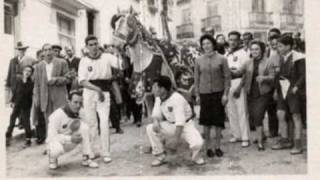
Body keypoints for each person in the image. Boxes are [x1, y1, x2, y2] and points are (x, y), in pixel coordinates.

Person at [78, 35, 123, 163]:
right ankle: (93, 150)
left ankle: (106, 152)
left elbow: (121, 65)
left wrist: (118, 52)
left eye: (95, 44)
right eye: (90, 44)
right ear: (86, 47)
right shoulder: (84, 61)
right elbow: (82, 81)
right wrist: (97, 90)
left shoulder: (107, 57)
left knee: (104, 122)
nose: (93, 47)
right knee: (92, 123)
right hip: (89, 92)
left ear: (98, 44)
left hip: (105, 91)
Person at [146, 76, 205, 166]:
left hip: (186, 125)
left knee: (197, 143)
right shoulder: (159, 98)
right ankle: (160, 155)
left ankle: (195, 156)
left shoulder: (176, 98)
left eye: (155, 87)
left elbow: (180, 122)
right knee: (150, 128)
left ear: (162, 89)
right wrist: (156, 121)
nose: (153, 89)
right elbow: (156, 113)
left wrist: (175, 140)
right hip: (171, 125)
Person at [194, 34, 231, 157]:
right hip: (205, 94)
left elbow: (227, 78)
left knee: (218, 121)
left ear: (213, 44)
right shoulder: (198, 60)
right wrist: (197, 94)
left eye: (208, 43)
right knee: (206, 122)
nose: (206, 46)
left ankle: (218, 146)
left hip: (218, 93)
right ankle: (208, 147)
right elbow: (196, 78)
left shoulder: (222, 59)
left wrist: (225, 94)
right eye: (204, 44)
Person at [46, 90, 99, 169]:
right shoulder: (56, 115)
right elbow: (51, 137)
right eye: (75, 102)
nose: (78, 105)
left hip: (72, 141)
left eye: (80, 103)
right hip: (57, 143)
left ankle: (86, 157)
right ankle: (52, 159)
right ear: (68, 101)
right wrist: (70, 138)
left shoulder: (81, 112)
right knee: (56, 149)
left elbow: (88, 132)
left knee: (85, 128)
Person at [239, 41, 275, 151]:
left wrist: (264, 78)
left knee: (258, 116)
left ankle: (260, 142)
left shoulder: (268, 62)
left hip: (263, 93)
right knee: (254, 117)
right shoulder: (248, 62)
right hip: (250, 93)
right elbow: (240, 73)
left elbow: (273, 77)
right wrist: (228, 71)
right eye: (252, 49)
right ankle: (262, 136)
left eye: (257, 49)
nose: (254, 51)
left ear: (262, 50)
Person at [274, 35, 306, 155]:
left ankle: (298, 144)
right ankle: (285, 140)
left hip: (294, 90)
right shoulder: (281, 58)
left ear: (288, 46)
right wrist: (276, 91)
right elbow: (279, 76)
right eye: (277, 46)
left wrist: (297, 86)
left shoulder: (299, 57)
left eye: (280, 46)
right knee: (280, 114)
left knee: (296, 116)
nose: (278, 48)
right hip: (283, 90)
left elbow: (303, 75)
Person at [33, 43, 71, 139]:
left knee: (60, 120)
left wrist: (56, 80)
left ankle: (62, 142)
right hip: (45, 98)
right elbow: (36, 84)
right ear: (42, 52)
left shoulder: (62, 62)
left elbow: (68, 78)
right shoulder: (38, 66)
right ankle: (50, 144)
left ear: (53, 51)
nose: (48, 52)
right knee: (49, 122)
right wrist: (37, 98)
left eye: (50, 49)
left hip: (59, 96)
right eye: (45, 50)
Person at [225, 31, 250, 147]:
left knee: (241, 111)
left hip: (238, 82)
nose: (232, 42)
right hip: (228, 83)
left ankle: (245, 137)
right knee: (231, 110)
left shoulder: (243, 53)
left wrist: (240, 87)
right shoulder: (227, 54)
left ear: (239, 41)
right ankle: (236, 134)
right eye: (230, 39)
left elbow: (246, 72)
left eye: (235, 40)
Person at [6, 66, 34, 147]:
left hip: (26, 105)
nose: (27, 72)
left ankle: (28, 139)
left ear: (31, 73)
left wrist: (30, 105)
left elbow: (30, 95)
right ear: (23, 71)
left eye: (29, 71)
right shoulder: (18, 81)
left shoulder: (31, 83)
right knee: (12, 120)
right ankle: (8, 137)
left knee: (26, 121)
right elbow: (15, 92)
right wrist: (12, 101)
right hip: (17, 104)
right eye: (26, 70)